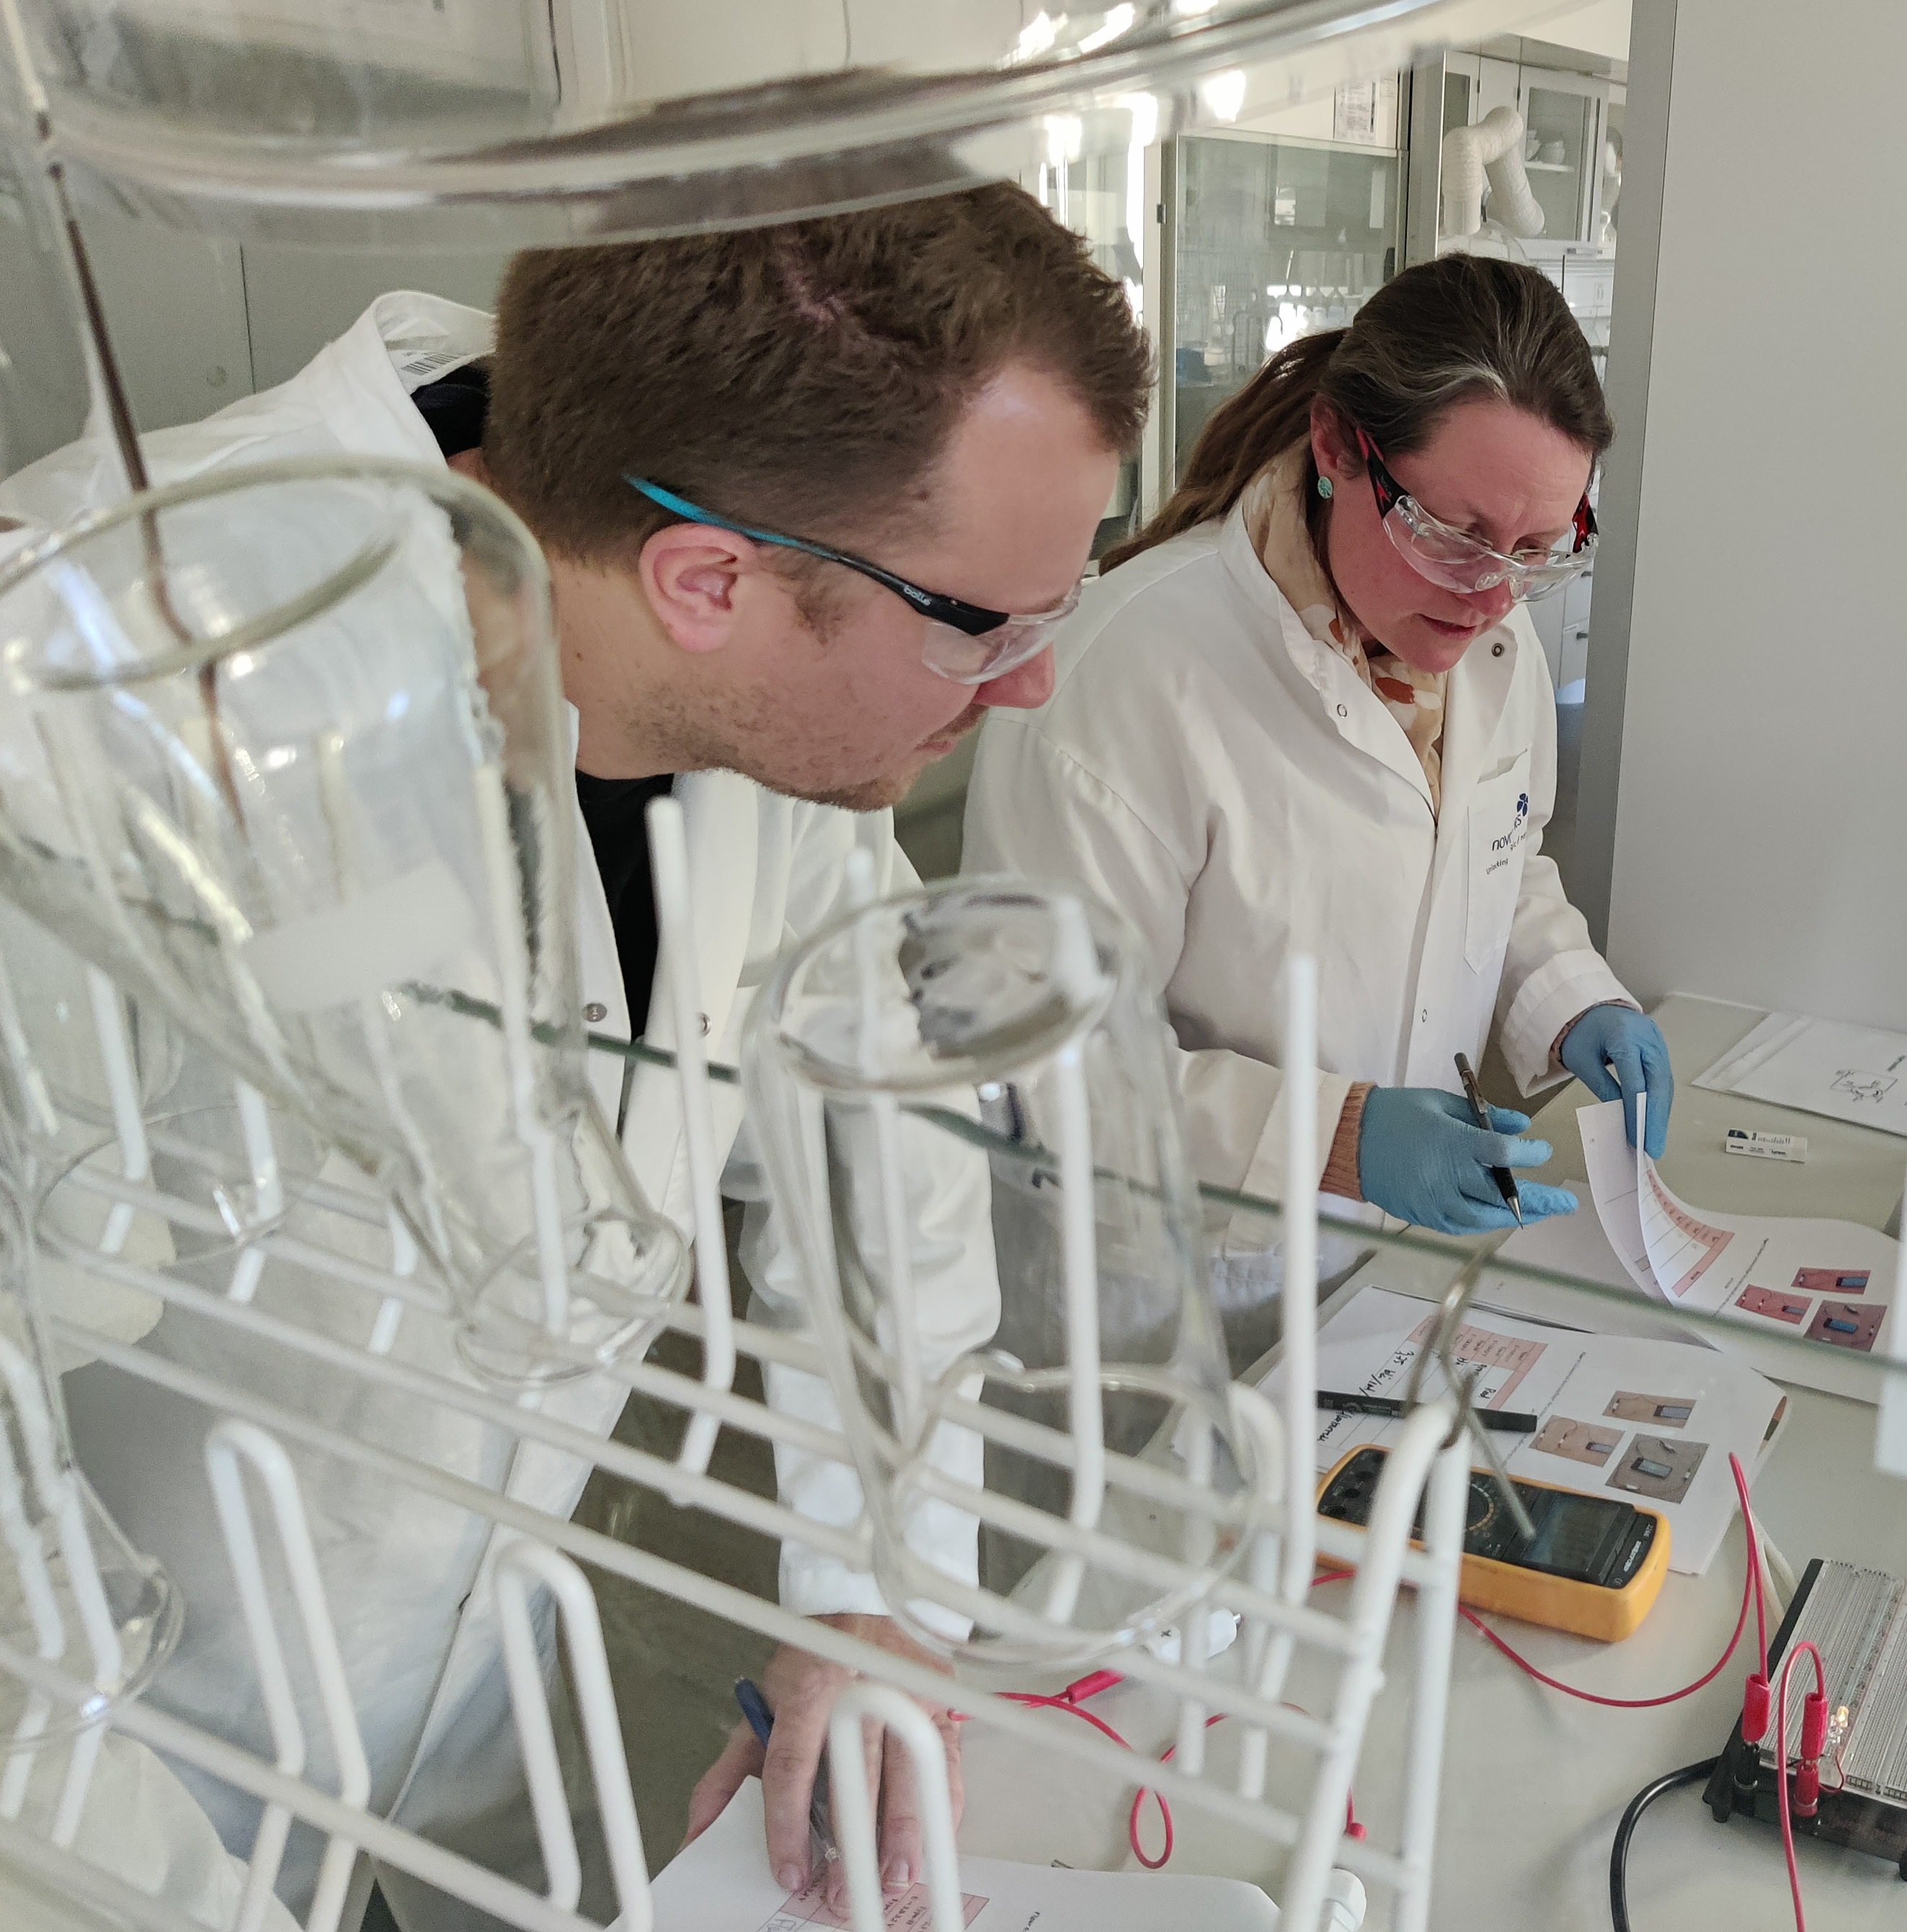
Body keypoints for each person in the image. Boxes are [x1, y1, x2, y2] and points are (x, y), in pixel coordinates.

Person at [3, 186, 1149, 1922]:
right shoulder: (88, 683)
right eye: (985, 627)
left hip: (459, 1719)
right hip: (111, 1790)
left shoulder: (731, 644)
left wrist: (875, 1599)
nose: (1029, 690)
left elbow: (875, 1168)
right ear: (710, 581)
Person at [963, 254, 1671, 1301]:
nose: (1491, 597)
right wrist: (1336, 1138)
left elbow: (1493, 858)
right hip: (1181, 1285)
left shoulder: (1488, 648)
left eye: (1538, 548)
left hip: (1399, 1265)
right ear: (1340, 446)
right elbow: (1034, 1060)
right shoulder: (1128, 669)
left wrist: (1572, 1001)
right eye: (1454, 534)